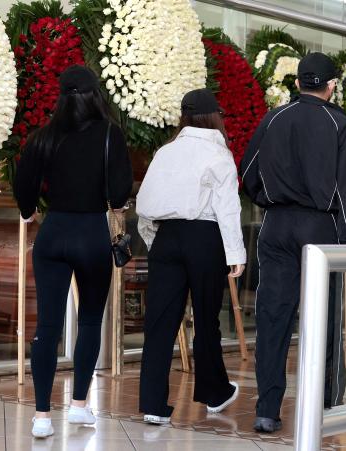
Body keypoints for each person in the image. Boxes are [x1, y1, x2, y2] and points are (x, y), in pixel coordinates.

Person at [239, 52, 346, 433]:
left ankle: (267, 410)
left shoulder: (274, 118)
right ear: (332, 86)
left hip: (277, 225)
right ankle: (326, 406)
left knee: (272, 318)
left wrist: (270, 199)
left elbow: (248, 173)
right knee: (326, 319)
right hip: (321, 230)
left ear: (298, 82)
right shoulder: (340, 125)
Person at [13, 65, 133, 438]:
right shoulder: (110, 134)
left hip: (53, 234)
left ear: (61, 96)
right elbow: (118, 192)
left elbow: (23, 183)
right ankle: (80, 405)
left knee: (47, 326)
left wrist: (29, 208)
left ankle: (42, 417)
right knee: (89, 321)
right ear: (95, 95)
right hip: (91, 235)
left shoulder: (43, 136)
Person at [136, 89, 247, 425]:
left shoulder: (165, 152)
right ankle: (214, 393)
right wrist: (235, 253)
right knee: (206, 318)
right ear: (215, 116)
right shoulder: (219, 154)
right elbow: (227, 208)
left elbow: (145, 202)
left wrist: (154, 239)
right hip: (206, 239)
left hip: (167, 237)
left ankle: (154, 405)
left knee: (159, 322)